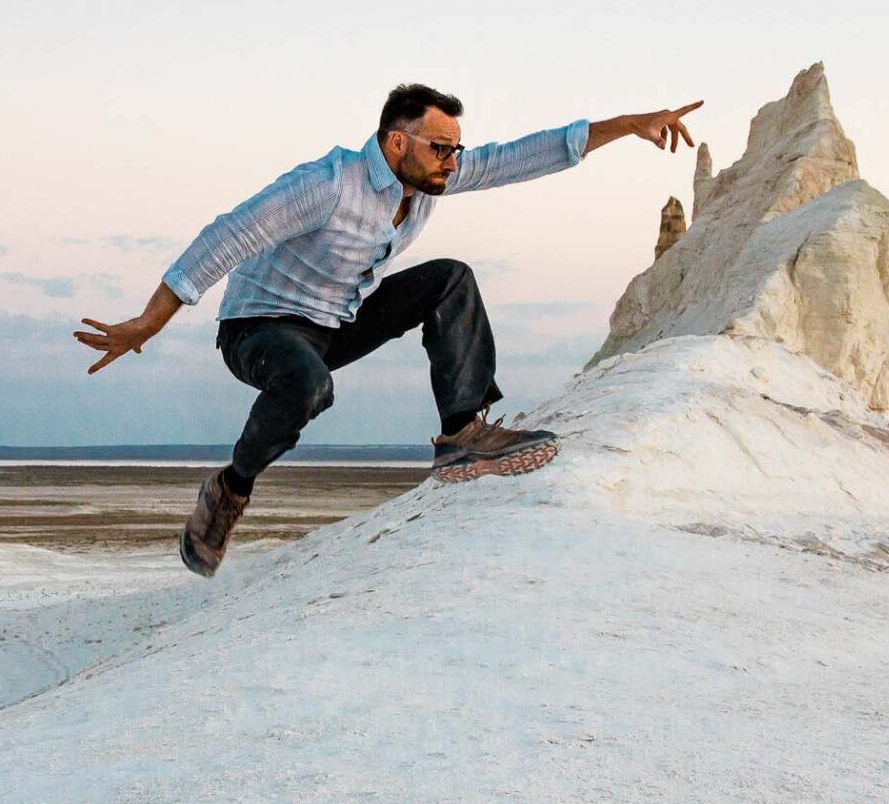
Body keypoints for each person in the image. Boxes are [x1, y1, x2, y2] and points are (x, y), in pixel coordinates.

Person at [75, 83, 701, 576]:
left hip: (337, 321)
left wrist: (629, 125)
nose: (453, 162)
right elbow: (228, 234)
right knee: (308, 384)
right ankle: (229, 495)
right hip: (260, 329)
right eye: (441, 149)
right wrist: (148, 322)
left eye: (456, 149)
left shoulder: (431, 177)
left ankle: (462, 432)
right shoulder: (327, 184)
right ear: (397, 144)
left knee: (449, 278)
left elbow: (521, 157)